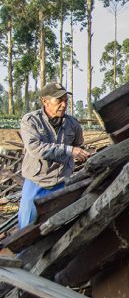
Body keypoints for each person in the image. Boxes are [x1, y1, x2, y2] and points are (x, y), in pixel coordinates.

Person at [17, 82, 90, 228]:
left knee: (58, 227)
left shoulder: (73, 124)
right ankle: (23, 252)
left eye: (66, 101)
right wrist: (69, 150)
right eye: (59, 101)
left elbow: (78, 146)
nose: (63, 105)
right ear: (45, 101)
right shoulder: (31, 121)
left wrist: (81, 154)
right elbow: (35, 148)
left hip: (61, 183)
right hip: (36, 182)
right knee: (26, 228)